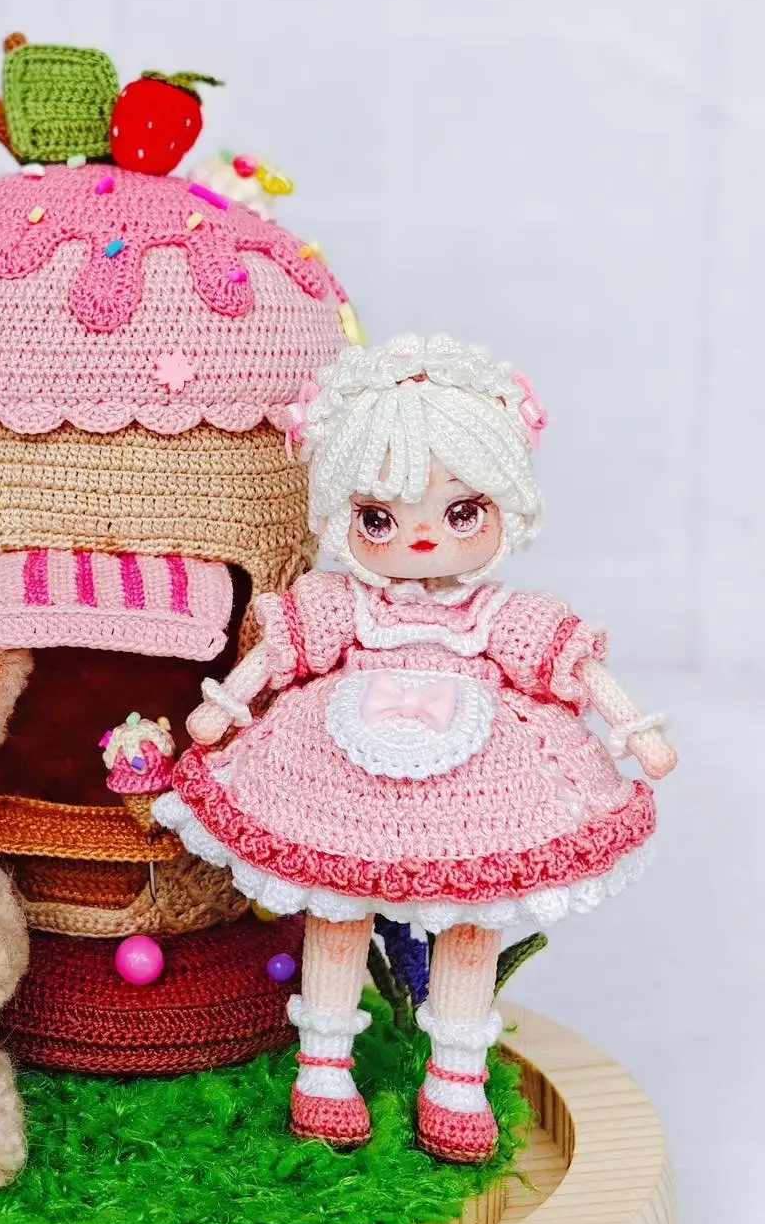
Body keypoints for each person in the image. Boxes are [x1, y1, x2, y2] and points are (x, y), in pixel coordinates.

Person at [153, 334, 676, 1163]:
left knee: (473, 917)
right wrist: (225, 707)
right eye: (380, 518)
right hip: (341, 779)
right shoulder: (346, 605)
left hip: (478, 788)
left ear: (505, 504)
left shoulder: (499, 615)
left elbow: (568, 661)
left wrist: (633, 725)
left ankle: (457, 1077)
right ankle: (323, 1068)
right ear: (344, 518)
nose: (423, 537)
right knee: (337, 908)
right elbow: (285, 650)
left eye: (461, 512)